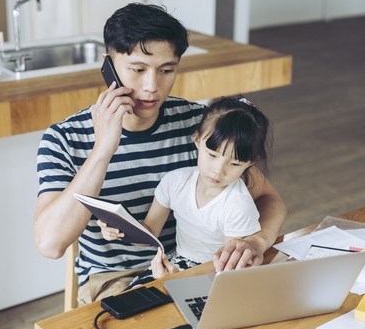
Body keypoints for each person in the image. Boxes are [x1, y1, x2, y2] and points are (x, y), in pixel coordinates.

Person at [33, 3, 287, 306]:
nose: (152, 87)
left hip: (196, 267)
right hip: (118, 279)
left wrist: (258, 241)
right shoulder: (64, 138)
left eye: (167, 71)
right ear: (108, 65)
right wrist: (103, 150)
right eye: (137, 70)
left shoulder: (200, 124)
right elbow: (50, 244)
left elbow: (269, 198)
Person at [102, 96, 271, 286]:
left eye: (234, 163)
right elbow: (149, 232)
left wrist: (180, 280)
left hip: (214, 274)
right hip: (177, 262)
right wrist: (122, 229)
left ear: (250, 163)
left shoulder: (237, 204)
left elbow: (230, 270)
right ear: (197, 139)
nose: (218, 170)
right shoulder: (175, 182)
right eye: (212, 155)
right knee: (134, 298)